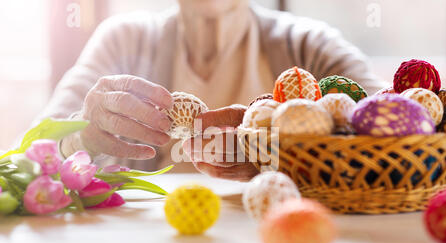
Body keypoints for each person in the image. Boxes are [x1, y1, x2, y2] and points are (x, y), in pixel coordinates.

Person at [40, 0, 384, 182]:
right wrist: (78, 138)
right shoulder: (124, 40)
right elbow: (24, 158)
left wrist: (283, 159)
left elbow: (407, 135)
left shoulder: (308, 46)